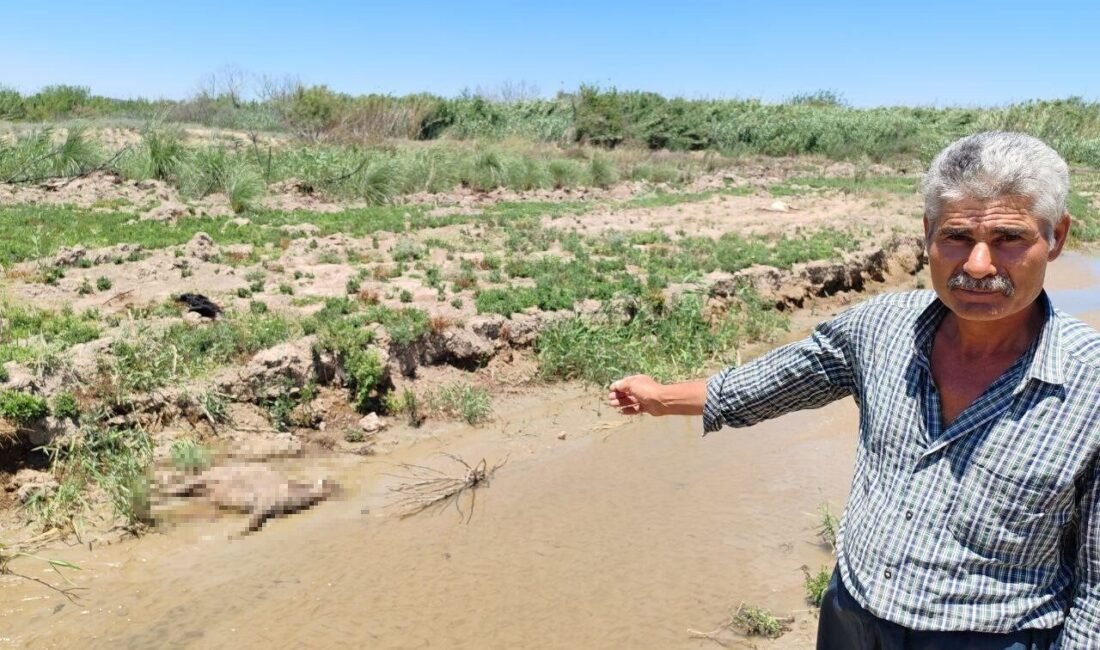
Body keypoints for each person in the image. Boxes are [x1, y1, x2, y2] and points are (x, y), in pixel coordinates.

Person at [608, 132, 1099, 649]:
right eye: (956, 237)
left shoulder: (1089, 384)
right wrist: (659, 397)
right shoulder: (879, 328)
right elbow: (771, 383)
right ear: (928, 233)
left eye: (1008, 239)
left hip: (991, 635)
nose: (978, 266)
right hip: (852, 614)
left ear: (1057, 237)